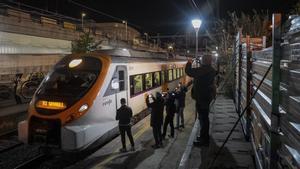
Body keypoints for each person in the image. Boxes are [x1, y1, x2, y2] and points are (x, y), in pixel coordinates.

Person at [185, 55, 217, 146]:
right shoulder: (210, 70)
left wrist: (189, 62)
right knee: (203, 118)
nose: (201, 61)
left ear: (205, 61)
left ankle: (204, 140)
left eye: (203, 60)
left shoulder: (204, 70)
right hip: (205, 97)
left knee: (203, 118)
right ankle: (204, 136)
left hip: (202, 98)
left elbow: (189, 72)